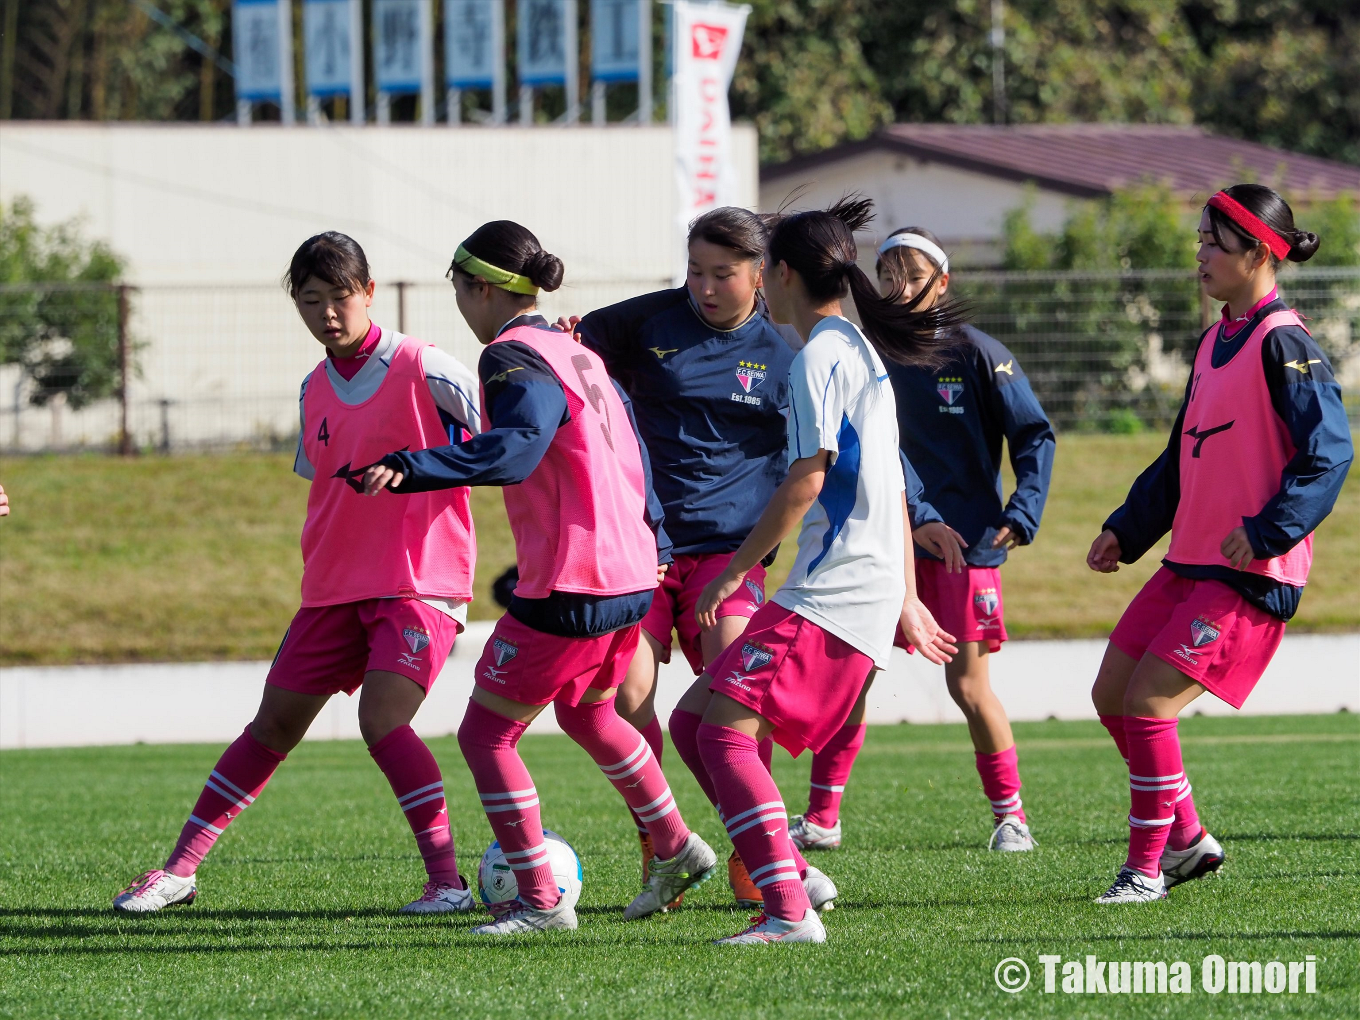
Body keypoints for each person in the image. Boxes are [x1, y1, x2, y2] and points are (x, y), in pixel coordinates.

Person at [362, 220, 718, 935]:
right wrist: (656, 536)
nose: (460, 304)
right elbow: (633, 452)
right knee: (590, 713)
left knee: (485, 735)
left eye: (459, 289)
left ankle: (540, 901)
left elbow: (517, 450)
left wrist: (413, 465)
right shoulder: (574, 350)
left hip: (573, 581)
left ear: (482, 288)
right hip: (631, 572)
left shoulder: (511, 356)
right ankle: (676, 846)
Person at [114, 232, 483, 914]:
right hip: (333, 588)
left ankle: (447, 884)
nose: (329, 314)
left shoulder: (428, 366)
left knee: (383, 722)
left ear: (369, 292)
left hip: (419, 582)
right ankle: (179, 871)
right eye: (311, 301)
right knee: (273, 725)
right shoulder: (313, 387)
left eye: (341, 297)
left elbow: (504, 446)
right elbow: (323, 484)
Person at [672, 196, 962, 944]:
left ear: (781, 274)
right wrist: (906, 597)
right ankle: (789, 877)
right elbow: (891, 489)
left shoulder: (818, 359)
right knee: (692, 720)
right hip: (852, 589)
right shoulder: (857, 351)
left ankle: (787, 909)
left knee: (725, 738)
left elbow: (805, 480)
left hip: (833, 593)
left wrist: (737, 571)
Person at [1087, 184, 1351, 904]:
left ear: (1258, 253)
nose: (1200, 252)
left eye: (1213, 241)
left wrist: (1269, 530)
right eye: (1200, 239)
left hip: (1248, 572)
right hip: (1189, 562)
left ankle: (1145, 872)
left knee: (1147, 706)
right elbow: (1180, 459)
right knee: (1112, 694)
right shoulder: (1213, 340)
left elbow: (1329, 453)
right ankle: (1189, 840)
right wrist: (1125, 528)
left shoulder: (1284, 342)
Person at [787, 226, 1056, 855]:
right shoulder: (868, 355)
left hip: (967, 548)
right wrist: (920, 514)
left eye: (911, 277)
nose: (897, 289)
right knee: (853, 680)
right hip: (887, 541)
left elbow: (1035, 436)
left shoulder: (981, 354)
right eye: (886, 277)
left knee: (968, 685)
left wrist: (1023, 510)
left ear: (942, 283)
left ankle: (1011, 818)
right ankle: (823, 818)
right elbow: (880, 450)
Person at [565, 207, 800, 906]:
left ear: (758, 276)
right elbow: (572, 350)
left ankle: (753, 853)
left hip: (730, 554)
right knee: (628, 698)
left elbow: (823, 456)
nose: (703, 286)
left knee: (736, 698)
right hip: (644, 545)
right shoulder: (643, 323)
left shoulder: (786, 356)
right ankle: (661, 844)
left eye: (721, 274)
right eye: (694, 270)